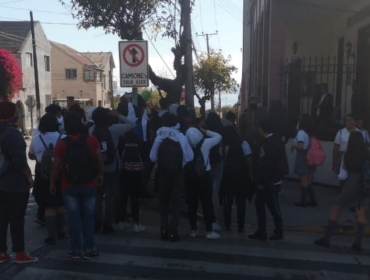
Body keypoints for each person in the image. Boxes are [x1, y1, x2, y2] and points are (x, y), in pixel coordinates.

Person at [51, 112, 104, 260]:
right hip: (89, 183)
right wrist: (100, 175)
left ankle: (75, 250)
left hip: (68, 184)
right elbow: (99, 160)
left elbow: (56, 165)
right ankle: (89, 248)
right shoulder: (91, 140)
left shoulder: (62, 143)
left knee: (73, 218)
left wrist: (52, 182)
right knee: (88, 217)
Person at [315, 132, 369, 252]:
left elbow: (342, 176)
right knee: (360, 214)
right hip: (364, 187)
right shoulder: (367, 154)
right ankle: (357, 243)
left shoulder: (348, 155)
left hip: (351, 186)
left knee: (335, 210)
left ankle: (326, 239)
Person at [0, 102, 38, 264]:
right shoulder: (12, 133)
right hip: (14, 183)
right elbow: (19, 161)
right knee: (16, 218)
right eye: (16, 112)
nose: (18, 115)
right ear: (11, 115)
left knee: (2, 218)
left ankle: (2, 252)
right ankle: (20, 252)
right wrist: (29, 178)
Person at [90, 105, 136, 234]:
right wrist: (118, 116)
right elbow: (132, 124)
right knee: (110, 198)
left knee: (97, 197)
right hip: (112, 168)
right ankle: (108, 224)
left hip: (96, 169)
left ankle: (96, 223)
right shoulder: (114, 129)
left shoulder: (91, 130)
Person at [150, 113, 194, 242]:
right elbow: (189, 157)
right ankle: (173, 232)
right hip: (177, 175)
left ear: (163, 123)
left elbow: (152, 157)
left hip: (163, 175)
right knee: (176, 204)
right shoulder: (181, 137)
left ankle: (163, 230)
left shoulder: (159, 138)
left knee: (163, 203)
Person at [29, 113, 66, 245]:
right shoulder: (63, 137)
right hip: (61, 174)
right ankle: (61, 231)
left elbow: (31, 156)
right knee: (60, 204)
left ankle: (51, 235)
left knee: (49, 206)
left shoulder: (37, 139)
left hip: (42, 175)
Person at [249, 119, 284, 241]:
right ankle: (262, 230)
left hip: (269, 182)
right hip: (269, 181)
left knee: (272, 206)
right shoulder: (273, 141)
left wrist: (261, 182)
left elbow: (268, 165)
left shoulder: (269, 143)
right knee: (262, 205)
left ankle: (277, 231)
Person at [185, 126, 222, 239]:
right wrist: (206, 131)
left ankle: (193, 230)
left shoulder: (185, 144)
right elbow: (219, 137)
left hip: (190, 177)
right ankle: (209, 230)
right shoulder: (206, 143)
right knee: (207, 203)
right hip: (205, 176)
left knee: (192, 203)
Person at [220, 126, 254, 233]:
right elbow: (249, 161)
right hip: (241, 176)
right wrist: (250, 174)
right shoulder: (243, 144)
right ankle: (241, 226)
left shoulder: (223, 146)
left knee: (228, 201)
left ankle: (227, 224)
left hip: (228, 176)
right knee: (241, 202)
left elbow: (223, 159)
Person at [116, 130, 146, 232]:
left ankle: (121, 221)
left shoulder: (122, 140)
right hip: (136, 172)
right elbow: (144, 156)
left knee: (123, 197)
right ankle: (136, 223)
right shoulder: (139, 140)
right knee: (135, 198)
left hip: (124, 171)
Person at [291, 114, 317, 207]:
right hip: (310, 158)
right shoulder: (309, 133)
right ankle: (312, 199)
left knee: (303, 181)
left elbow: (300, 146)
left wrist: (293, 146)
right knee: (309, 180)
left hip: (302, 157)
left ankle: (304, 201)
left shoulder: (301, 133)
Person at [238, 94, 268, 176]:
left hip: (262, 142)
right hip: (248, 143)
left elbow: (268, 126)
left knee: (261, 163)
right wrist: (242, 140)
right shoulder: (245, 113)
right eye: (251, 101)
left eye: (254, 101)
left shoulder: (264, 112)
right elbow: (240, 128)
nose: (252, 103)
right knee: (249, 163)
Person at [205, 112, 223, 231]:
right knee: (219, 180)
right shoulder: (220, 132)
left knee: (209, 183)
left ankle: (211, 197)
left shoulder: (206, 133)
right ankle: (221, 199)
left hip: (209, 160)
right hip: (219, 159)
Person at [332, 114, 361, 189]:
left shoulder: (360, 133)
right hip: (342, 159)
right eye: (347, 120)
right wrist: (334, 163)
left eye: (350, 120)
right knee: (342, 180)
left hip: (355, 159)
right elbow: (335, 149)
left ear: (355, 122)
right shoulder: (341, 132)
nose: (348, 122)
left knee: (353, 180)